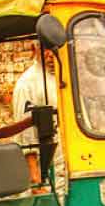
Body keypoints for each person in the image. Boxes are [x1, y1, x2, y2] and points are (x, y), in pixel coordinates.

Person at [11, 50, 66, 195]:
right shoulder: (27, 84)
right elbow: (25, 133)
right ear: (34, 48)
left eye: (53, 48)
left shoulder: (64, 77)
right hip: (44, 170)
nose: (50, 54)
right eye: (45, 48)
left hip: (65, 165)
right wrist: (35, 180)